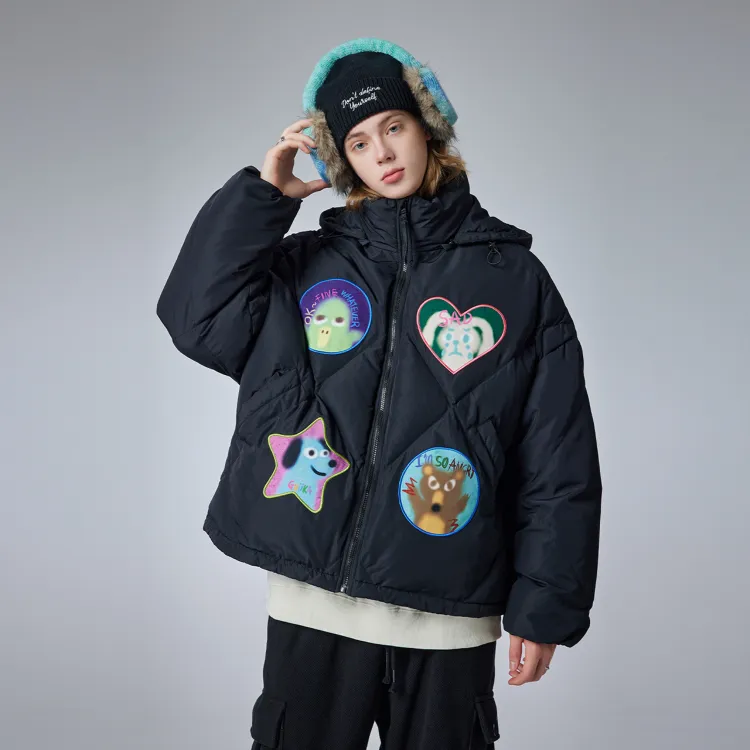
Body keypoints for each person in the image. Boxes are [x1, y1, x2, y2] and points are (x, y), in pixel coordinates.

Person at [156, 37, 602, 750]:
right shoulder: (304, 267)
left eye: (395, 126)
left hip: (450, 610)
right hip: (316, 603)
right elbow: (195, 316)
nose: (384, 152)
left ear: (428, 128)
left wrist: (546, 605)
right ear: (343, 161)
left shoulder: (516, 280)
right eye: (359, 142)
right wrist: (264, 200)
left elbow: (559, 455)